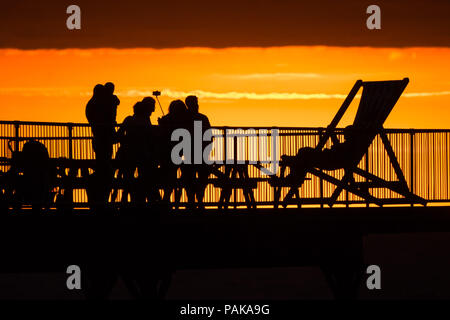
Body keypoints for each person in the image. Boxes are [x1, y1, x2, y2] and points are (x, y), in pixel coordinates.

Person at [115, 98, 159, 204]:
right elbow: (150, 138)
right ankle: (139, 200)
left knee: (128, 179)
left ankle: (127, 201)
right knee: (143, 178)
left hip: (127, 154)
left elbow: (119, 135)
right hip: (142, 155)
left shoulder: (129, 119)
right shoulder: (145, 121)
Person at [85, 82, 120, 207]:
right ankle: (102, 197)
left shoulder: (96, 103)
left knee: (104, 159)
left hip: (101, 135)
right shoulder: (98, 103)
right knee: (104, 160)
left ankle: (103, 196)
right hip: (102, 135)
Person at [157, 100, 191, 206]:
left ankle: (168, 200)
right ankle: (173, 201)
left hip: (170, 152)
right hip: (178, 152)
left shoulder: (167, 119)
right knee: (176, 178)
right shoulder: (185, 120)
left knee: (171, 178)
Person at [184, 95, 212, 209]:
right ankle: (196, 200)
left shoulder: (185, 118)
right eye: (195, 102)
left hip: (194, 153)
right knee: (197, 178)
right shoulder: (202, 118)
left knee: (194, 178)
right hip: (196, 153)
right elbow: (209, 136)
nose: (196, 104)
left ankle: (194, 200)